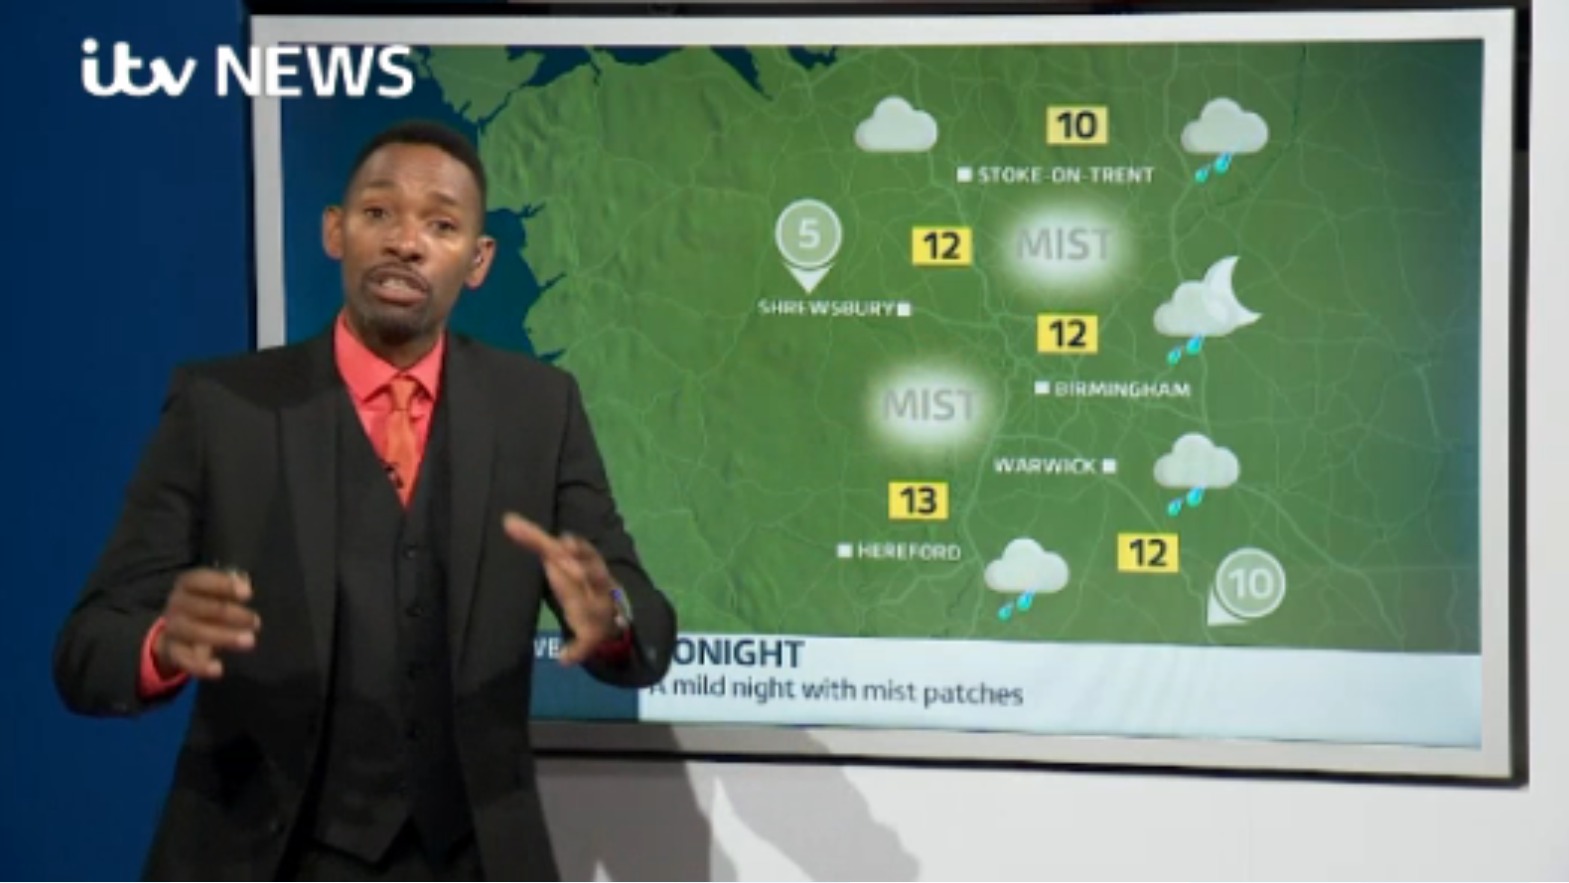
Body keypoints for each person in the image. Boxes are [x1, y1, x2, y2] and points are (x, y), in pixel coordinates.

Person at [52, 118, 677, 881]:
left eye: (440, 225)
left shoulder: (538, 409)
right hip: (265, 856)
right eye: (379, 212)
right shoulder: (221, 407)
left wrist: (611, 615)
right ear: (334, 230)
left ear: (478, 261)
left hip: (472, 858)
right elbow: (87, 649)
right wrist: (160, 645)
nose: (405, 242)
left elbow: (646, 623)